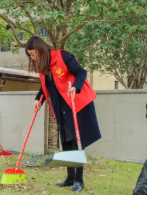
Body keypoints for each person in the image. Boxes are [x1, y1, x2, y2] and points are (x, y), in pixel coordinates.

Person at [25, 36, 100, 193]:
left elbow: (81, 72)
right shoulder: (44, 66)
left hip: (75, 104)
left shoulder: (63, 56)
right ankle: (70, 177)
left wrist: (75, 87)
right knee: (66, 142)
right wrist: (38, 99)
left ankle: (79, 180)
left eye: (32, 54)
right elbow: (45, 86)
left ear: (39, 49)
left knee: (75, 142)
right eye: (29, 55)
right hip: (60, 107)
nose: (31, 57)